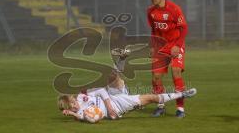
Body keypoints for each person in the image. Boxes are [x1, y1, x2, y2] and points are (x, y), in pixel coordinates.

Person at [58, 49, 196, 122]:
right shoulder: (80, 115)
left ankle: (122, 58)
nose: (75, 106)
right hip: (119, 107)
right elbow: (87, 118)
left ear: (72, 98)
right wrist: (72, 114)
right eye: (72, 108)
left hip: (112, 98)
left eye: (73, 103)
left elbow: (100, 90)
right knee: (151, 98)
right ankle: (183, 94)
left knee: (112, 76)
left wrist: (108, 106)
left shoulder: (82, 97)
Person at [147, 0, 188, 118]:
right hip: (160, 46)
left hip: (176, 44)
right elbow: (154, 30)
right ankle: (160, 106)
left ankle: (180, 109)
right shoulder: (150, 11)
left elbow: (184, 28)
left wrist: (178, 45)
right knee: (156, 77)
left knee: (176, 72)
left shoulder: (174, 9)